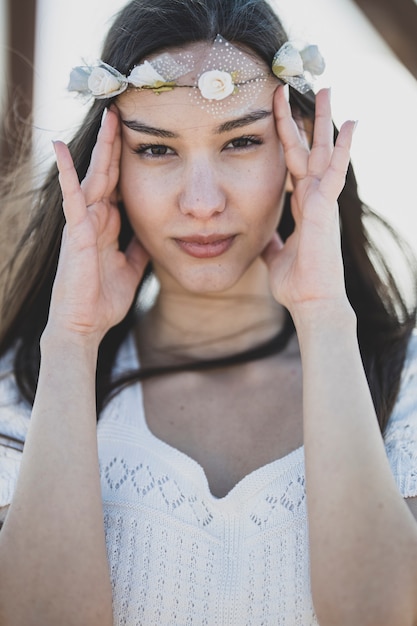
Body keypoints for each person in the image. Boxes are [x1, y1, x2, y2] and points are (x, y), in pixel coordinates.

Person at [0, 0, 416, 623]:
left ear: (296, 147)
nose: (201, 202)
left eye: (242, 141)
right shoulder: (27, 388)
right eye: (157, 151)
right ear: (109, 167)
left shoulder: (403, 379)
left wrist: (325, 315)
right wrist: (72, 340)